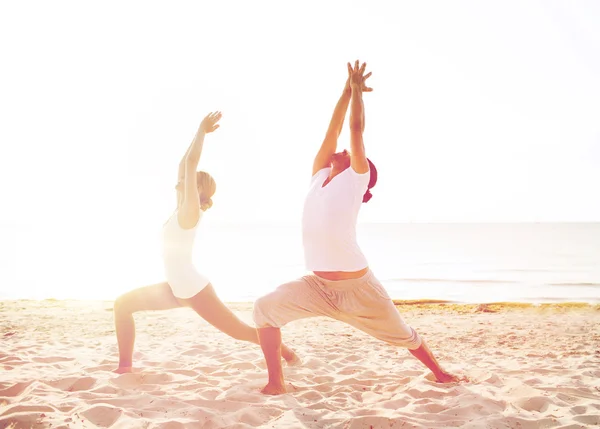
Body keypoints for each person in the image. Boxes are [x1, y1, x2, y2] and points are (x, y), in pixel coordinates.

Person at [253, 61, 463, 395]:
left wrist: (357, 95)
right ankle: (276, 382)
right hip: (317, 287)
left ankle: (439, 372)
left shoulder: (354, 179)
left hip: (359, 289)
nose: (344, 148)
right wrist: (345, 90)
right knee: (264, 308)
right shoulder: (319, 177)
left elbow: (355, 128)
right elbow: (333, 129)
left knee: (403, 335)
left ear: (360, 170)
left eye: (352, 153)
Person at [113, 112, 298, 373]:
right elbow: (183, 164)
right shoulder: (178, 209)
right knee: (122, 305)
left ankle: (288, 354)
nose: (180, 180)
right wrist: (195, 137)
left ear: (196, 190)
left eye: (188, 180)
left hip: (195, 290)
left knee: (241, 332)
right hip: (176, 289)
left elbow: (189, 163)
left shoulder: (190, 213)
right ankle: (124, 368)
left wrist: (201, 131)